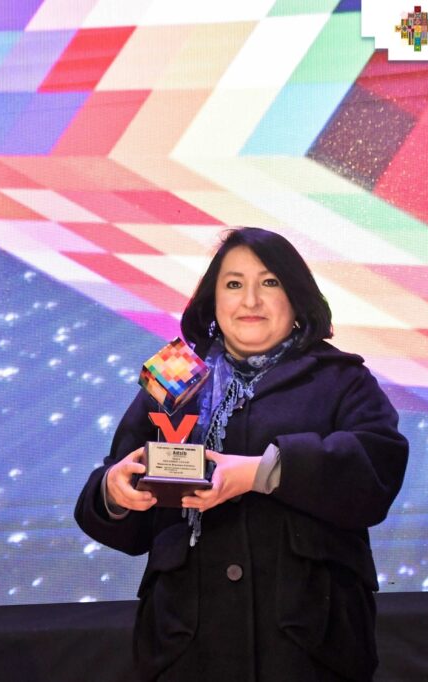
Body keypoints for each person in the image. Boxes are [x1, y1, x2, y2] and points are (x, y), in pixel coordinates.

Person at [75, 227, 408, 681]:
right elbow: (121, 487)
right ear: (213, 299)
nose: (250, 300)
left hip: (308, 648)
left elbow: (375, 470)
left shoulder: (339, 377)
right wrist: (114, 493)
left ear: (296, 296)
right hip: (185, 647)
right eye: (233, 284)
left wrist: (264, 472)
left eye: (269, 282)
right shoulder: (174, 372)